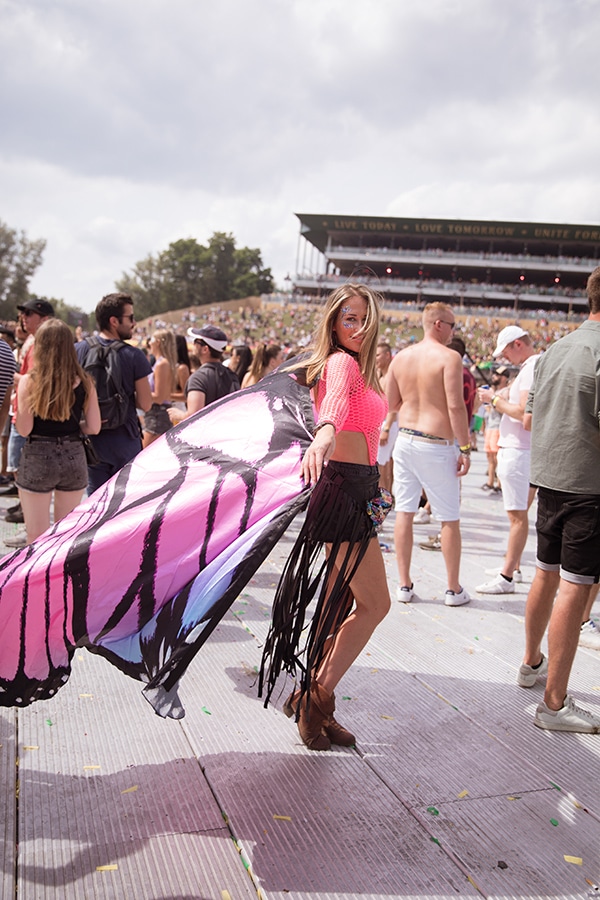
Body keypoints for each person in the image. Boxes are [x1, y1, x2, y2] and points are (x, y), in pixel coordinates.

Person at [260, 283, 391, 751]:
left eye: (363, 318)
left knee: (336, 608)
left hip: (358, 489)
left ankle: (316, 697)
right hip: (339, 488)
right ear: (333, 323)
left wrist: (377, 488)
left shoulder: (366, 368)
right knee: (376, 605)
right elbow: (333, 405)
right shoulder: (341, 362)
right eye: (347, 318)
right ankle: (315, 699)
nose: (356, 327)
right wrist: (325, 433)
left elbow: (369, 433)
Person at [518, 266, 600, 732]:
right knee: (575, 585)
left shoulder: (556, 349)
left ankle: (531, 663)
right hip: (588, 486)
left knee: (546, 574)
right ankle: (554, 704)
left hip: (550, 479)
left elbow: (531, 419)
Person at [386, 302, 471, 606]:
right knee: (449, 517)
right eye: (452, 326)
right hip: (436, 443)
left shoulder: (401, 358)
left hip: (406, 439)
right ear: (438, 324)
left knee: (405, 512)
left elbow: (392, 403)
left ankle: (404, 584)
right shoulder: (449, 357)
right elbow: (455, 405)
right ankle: (452, 588)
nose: (453, 332)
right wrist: (464, 446)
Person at [14, 319, 101, 544]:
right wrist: (73, 427)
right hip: (73, 454)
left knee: (36, 536)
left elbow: (25, 430)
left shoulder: (28, 382)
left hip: (38, 455)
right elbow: (94, 427)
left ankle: (36, 579)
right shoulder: (84, 381)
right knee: (66, 535)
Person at [475, 326, 540, 594]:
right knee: (519, 515)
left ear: (517, 344)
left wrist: (494, 400)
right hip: (523, 451)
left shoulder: (530, 367)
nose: (505, 359)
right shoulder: (534, 365)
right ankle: (513, 566)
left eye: (506, 352)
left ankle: (507, 577)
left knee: (517, 517)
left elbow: (526, 417)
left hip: (518, 450)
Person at [75, 293, 152, 493]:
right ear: (114, 321)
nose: (134, 323)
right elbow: (146, 403)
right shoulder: (134, 355)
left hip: (91, 438)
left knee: (95, 505)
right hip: (125, 440)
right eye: (131, 318)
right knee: (125, 506)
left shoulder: (79, 351)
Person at [168, 325, 240, 424]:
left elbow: (194, 415)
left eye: (196, 342)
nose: (193, 344)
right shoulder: (232, 375)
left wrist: (180, 415)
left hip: (206, 436)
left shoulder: (199, 378)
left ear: (205, 349)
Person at [142, 330, 177, 447]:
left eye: (150, 340)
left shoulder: (162, 364)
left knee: (142, 457)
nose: (148, 343)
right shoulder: (160, 363)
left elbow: (159, 397)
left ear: (157, 342)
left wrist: (138, 392)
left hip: (157, 415)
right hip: (156, 415)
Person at [481, 366, 510, 492]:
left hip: (498, 427)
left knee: (497, 457)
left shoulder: (506, 392)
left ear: (504, 377)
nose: (494, 377)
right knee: (489, 456)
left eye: (497, 375)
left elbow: (505, 409)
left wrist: (493, 401)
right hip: (490, 427)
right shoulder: (495, 391)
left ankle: (499, 484)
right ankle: (490, 481)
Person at [375, 340, 398, 496]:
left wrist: (387, 428)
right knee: (386, 465)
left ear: (387, 355)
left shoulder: (390, 377)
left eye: (378, 355)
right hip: (382, 423)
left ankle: (382, 503)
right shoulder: (380, 375)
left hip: (387, 424)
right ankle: (387, 497)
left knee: (380, 466)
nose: (375, 358)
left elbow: (392, 407)